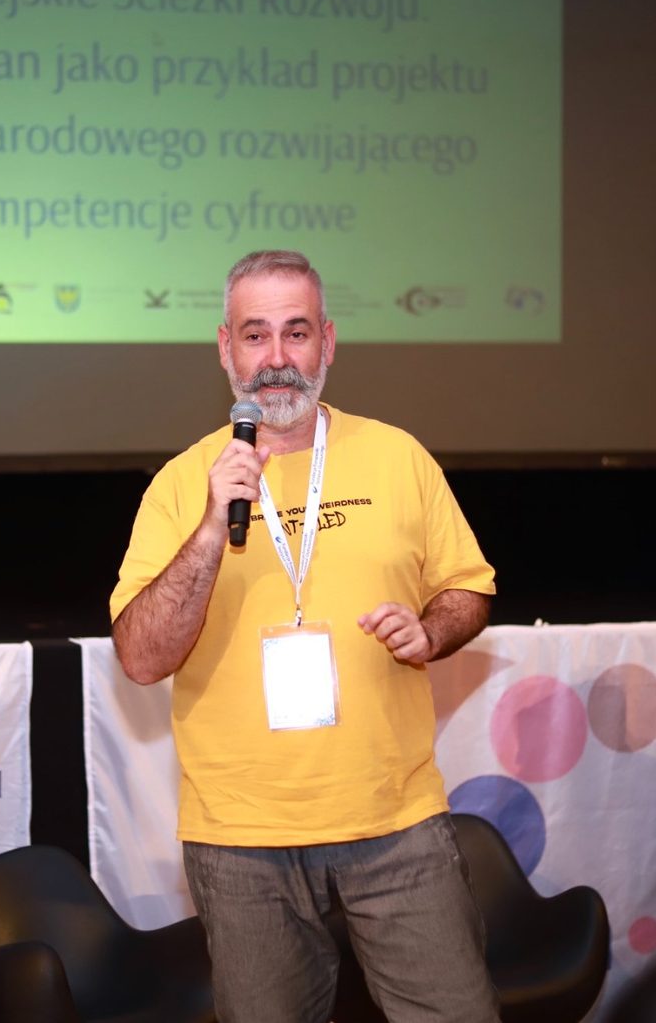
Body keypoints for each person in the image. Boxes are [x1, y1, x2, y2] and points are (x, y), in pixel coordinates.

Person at [109, 250, 500, 1023]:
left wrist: (430, 629)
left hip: (395, 820)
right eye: (256, 335)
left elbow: (469, 588)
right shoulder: (183, 484)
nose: (277, 357)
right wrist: (211, 528)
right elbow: (142, 657)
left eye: (296, 332)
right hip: (240, 838)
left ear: (329, 341)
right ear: (226, 348)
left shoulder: (397, 456)